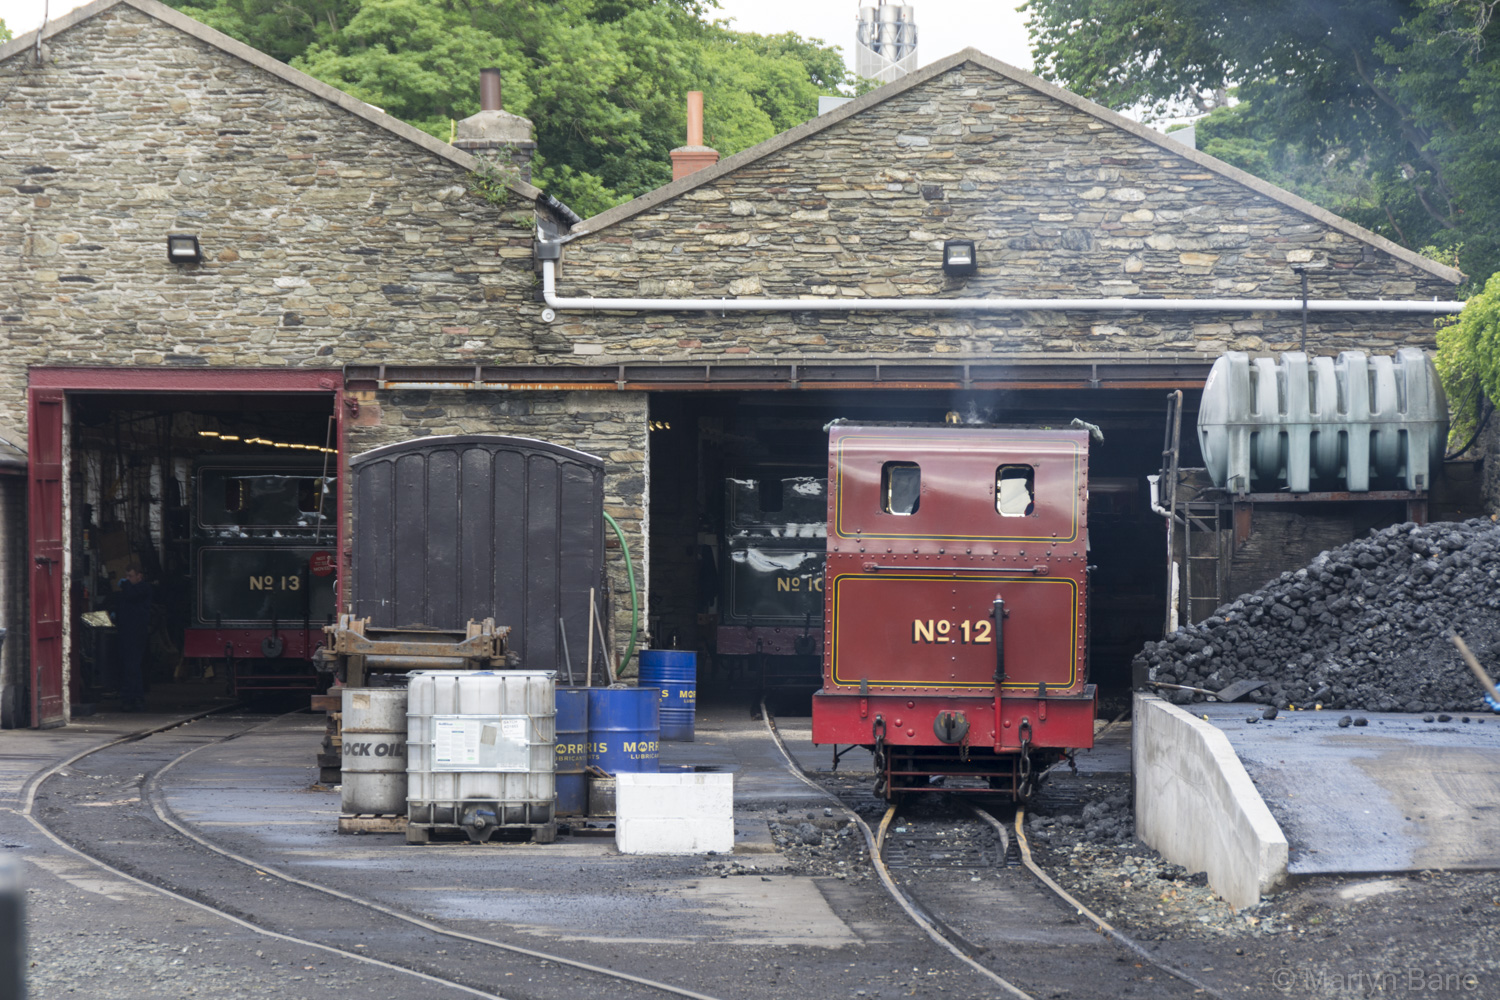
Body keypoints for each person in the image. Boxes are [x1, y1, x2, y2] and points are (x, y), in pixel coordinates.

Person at [115, 565, 152, 711]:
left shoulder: (143, 589)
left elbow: (132, 596)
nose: (127, 579)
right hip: (126, 631)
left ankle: (134, 697)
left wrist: (125, 584)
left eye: (130, 576)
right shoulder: (129, 590)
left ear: (139, 576)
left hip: (137, 632)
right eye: (126, 576)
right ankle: (132, 697)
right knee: (128, 665)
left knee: (133, 665)